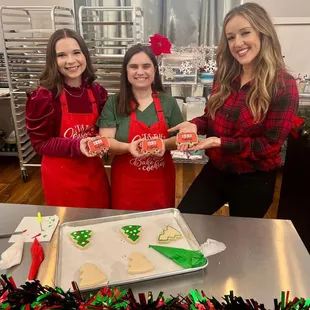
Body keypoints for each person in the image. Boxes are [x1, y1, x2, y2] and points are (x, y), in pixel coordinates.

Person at [169, 3, 299, 217]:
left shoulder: (283, 85)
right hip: (217, 170)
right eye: (231, 37)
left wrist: (220, 142)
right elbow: (211, 117)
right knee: (185, 218)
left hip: (254, 180)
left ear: (263, 33)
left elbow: (269, 146)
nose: (238, 43)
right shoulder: (225, 75)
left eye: (245, 33)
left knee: (242, 240)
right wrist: (195, 124)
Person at [26, 28, 110, 209]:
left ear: (85, 55)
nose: (71, 61)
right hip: (61, 179)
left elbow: (106, 129)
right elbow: (39, 144)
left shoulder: (97, 92)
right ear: (53, 61)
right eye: (62, 55)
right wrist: (76, 145)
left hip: (92, 173)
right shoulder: (43, 97)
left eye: (76, 52)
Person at [97, 44, 183, 211]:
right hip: (126, 184)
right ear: (126, 71)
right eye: (133, 67)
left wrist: (163, 144)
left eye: (146, 66)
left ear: (155, 70)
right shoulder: (114, 103)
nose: (140, 72)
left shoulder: (169, 103)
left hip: (161, 183)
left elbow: (179, 139)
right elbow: (105, 141)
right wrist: (129, 147)